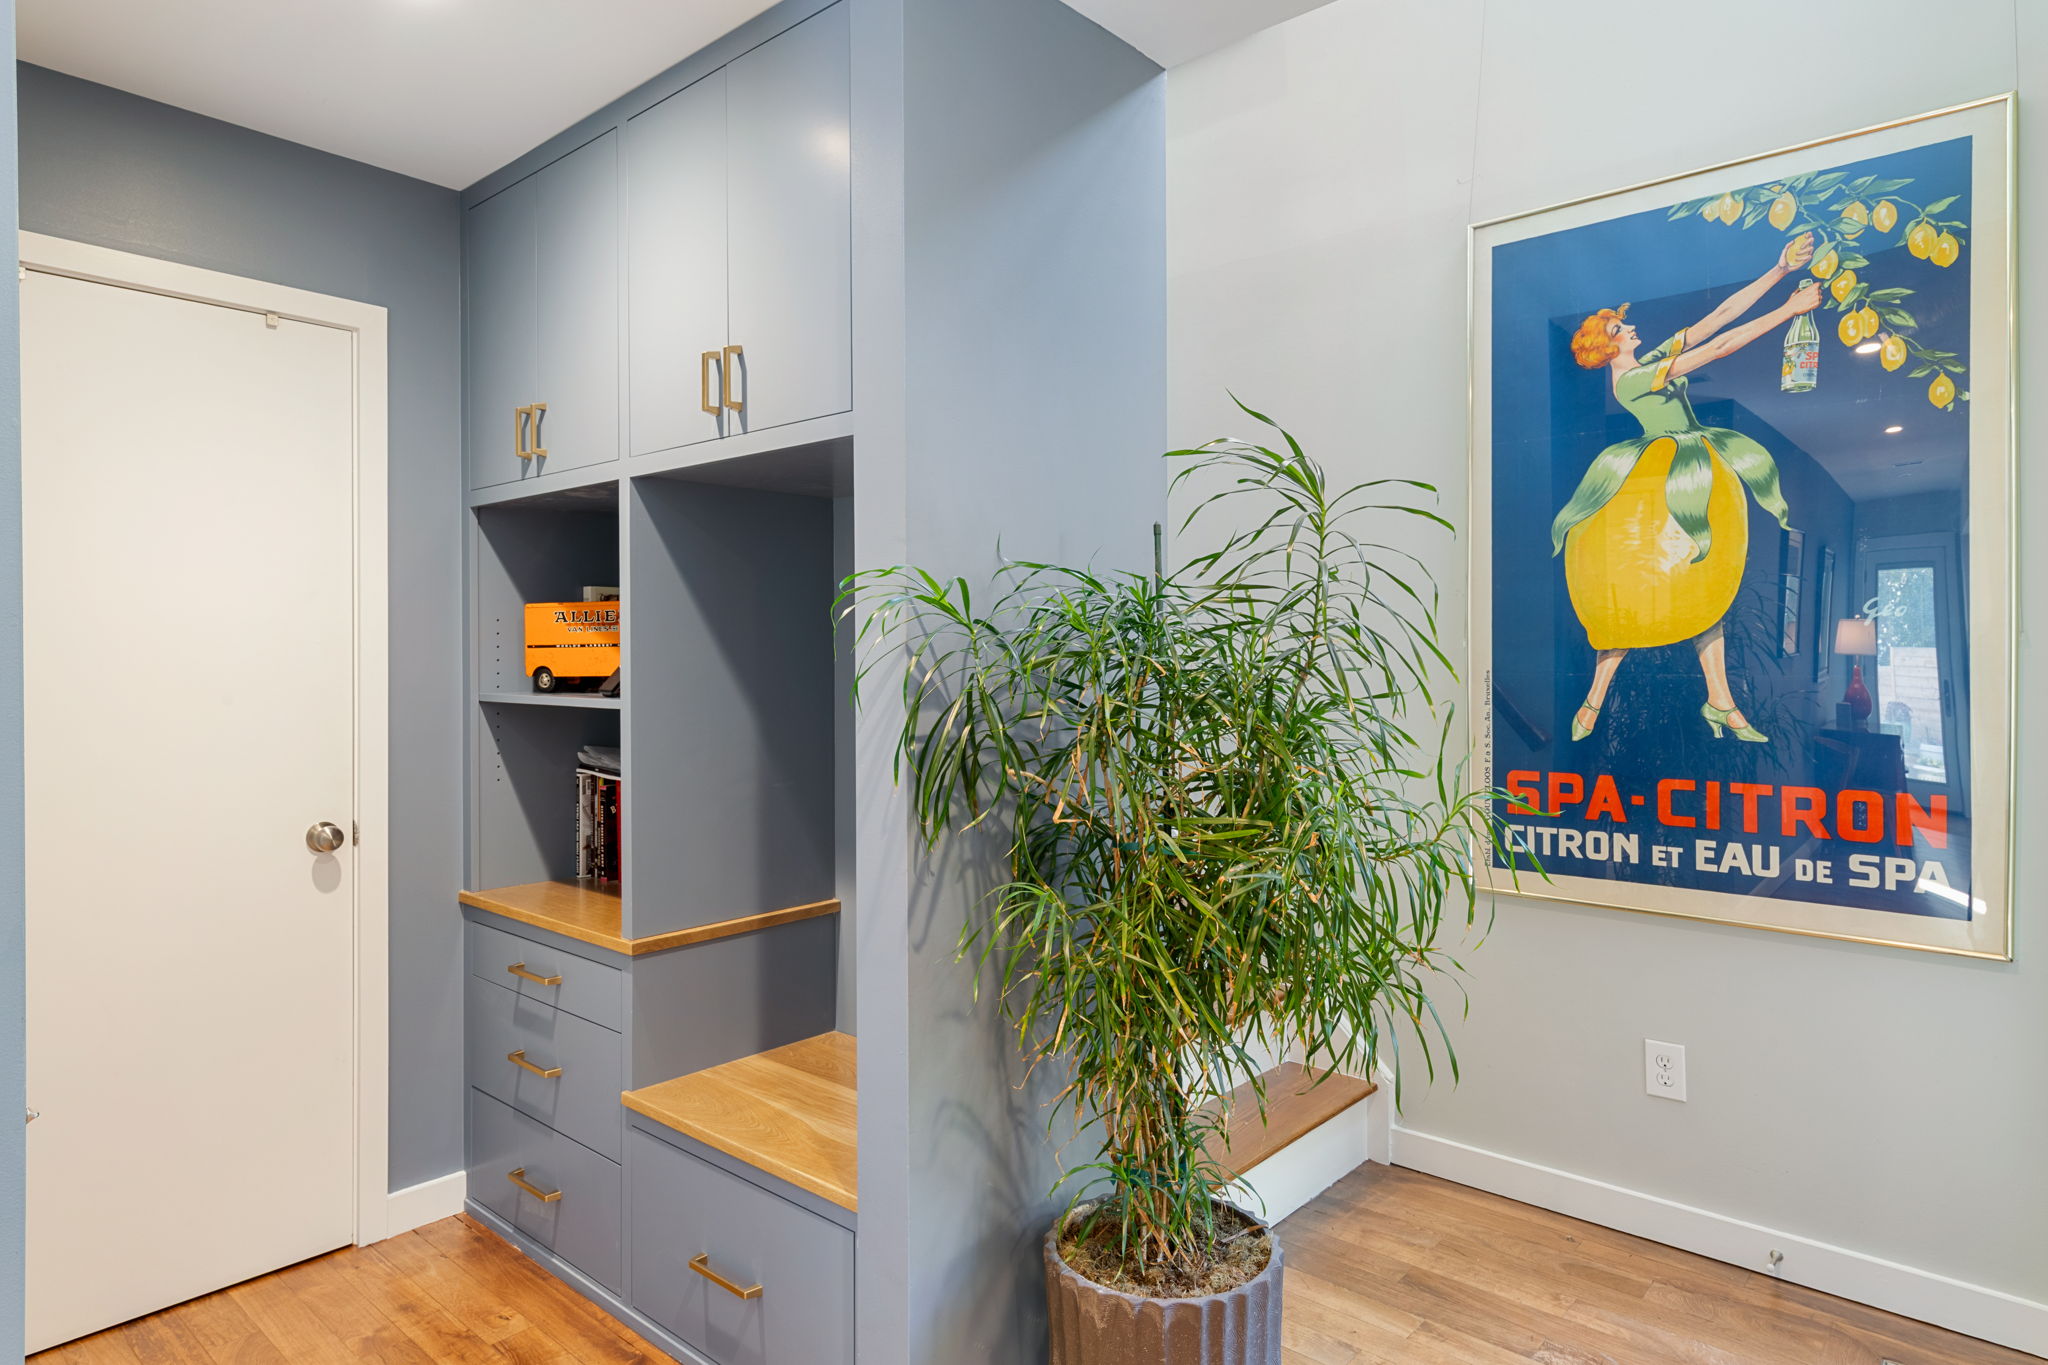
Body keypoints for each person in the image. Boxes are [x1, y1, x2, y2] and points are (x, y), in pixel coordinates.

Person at [1555, 232, 1822, 743]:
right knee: (1631, 589)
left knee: (1701, 577)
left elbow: (1716, 320)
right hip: (1662, 475)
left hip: (1690, 464)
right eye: (1619, 328)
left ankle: (1720, 701)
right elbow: (1719, 348)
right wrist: (1789, 310)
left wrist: (1780, 270)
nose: (1630, 327)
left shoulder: (1646, 363)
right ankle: (1595, 699)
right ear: (1608, 346)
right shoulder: (1634, 380)